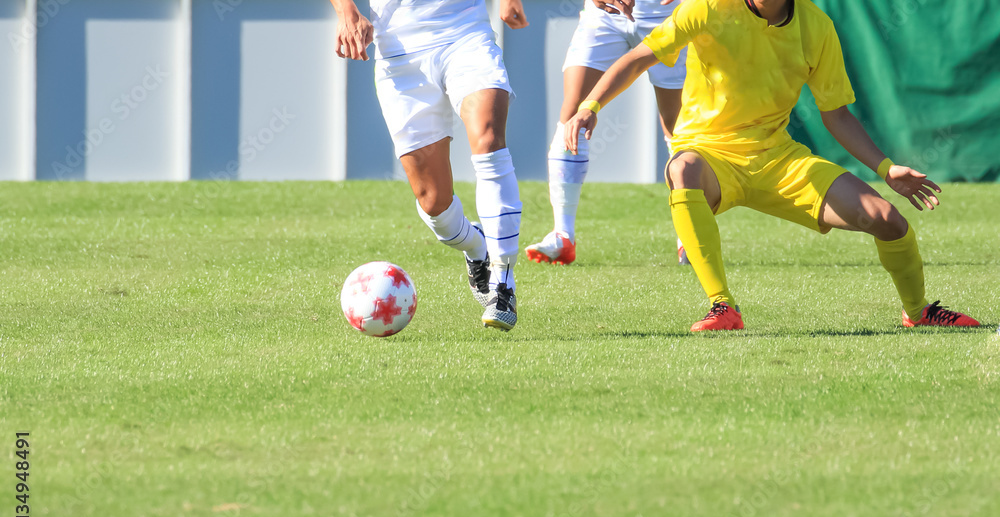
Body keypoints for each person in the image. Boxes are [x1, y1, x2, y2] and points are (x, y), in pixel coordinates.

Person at [564, 0, 980, 330]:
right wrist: (590, 105)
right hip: (709, 154)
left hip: (778, 159)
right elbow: (639, 57)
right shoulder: (707, 7)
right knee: (681, 169)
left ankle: (919, 311)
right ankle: (722, 306)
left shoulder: (816, 26)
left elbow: (836, 114)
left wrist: (886, 169)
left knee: (887, 219)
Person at [332, 0, 529, 330]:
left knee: (488, 138)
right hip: (399, 52)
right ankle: (475, 245)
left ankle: (503, 285)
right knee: (434, 201)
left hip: (466, 34)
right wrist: (346, 11)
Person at [525, 0, 690, 266]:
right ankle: (562, 234)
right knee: (573, 113)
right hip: (604, 15)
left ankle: (689, 235)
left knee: (677, 126)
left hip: (666, 15)